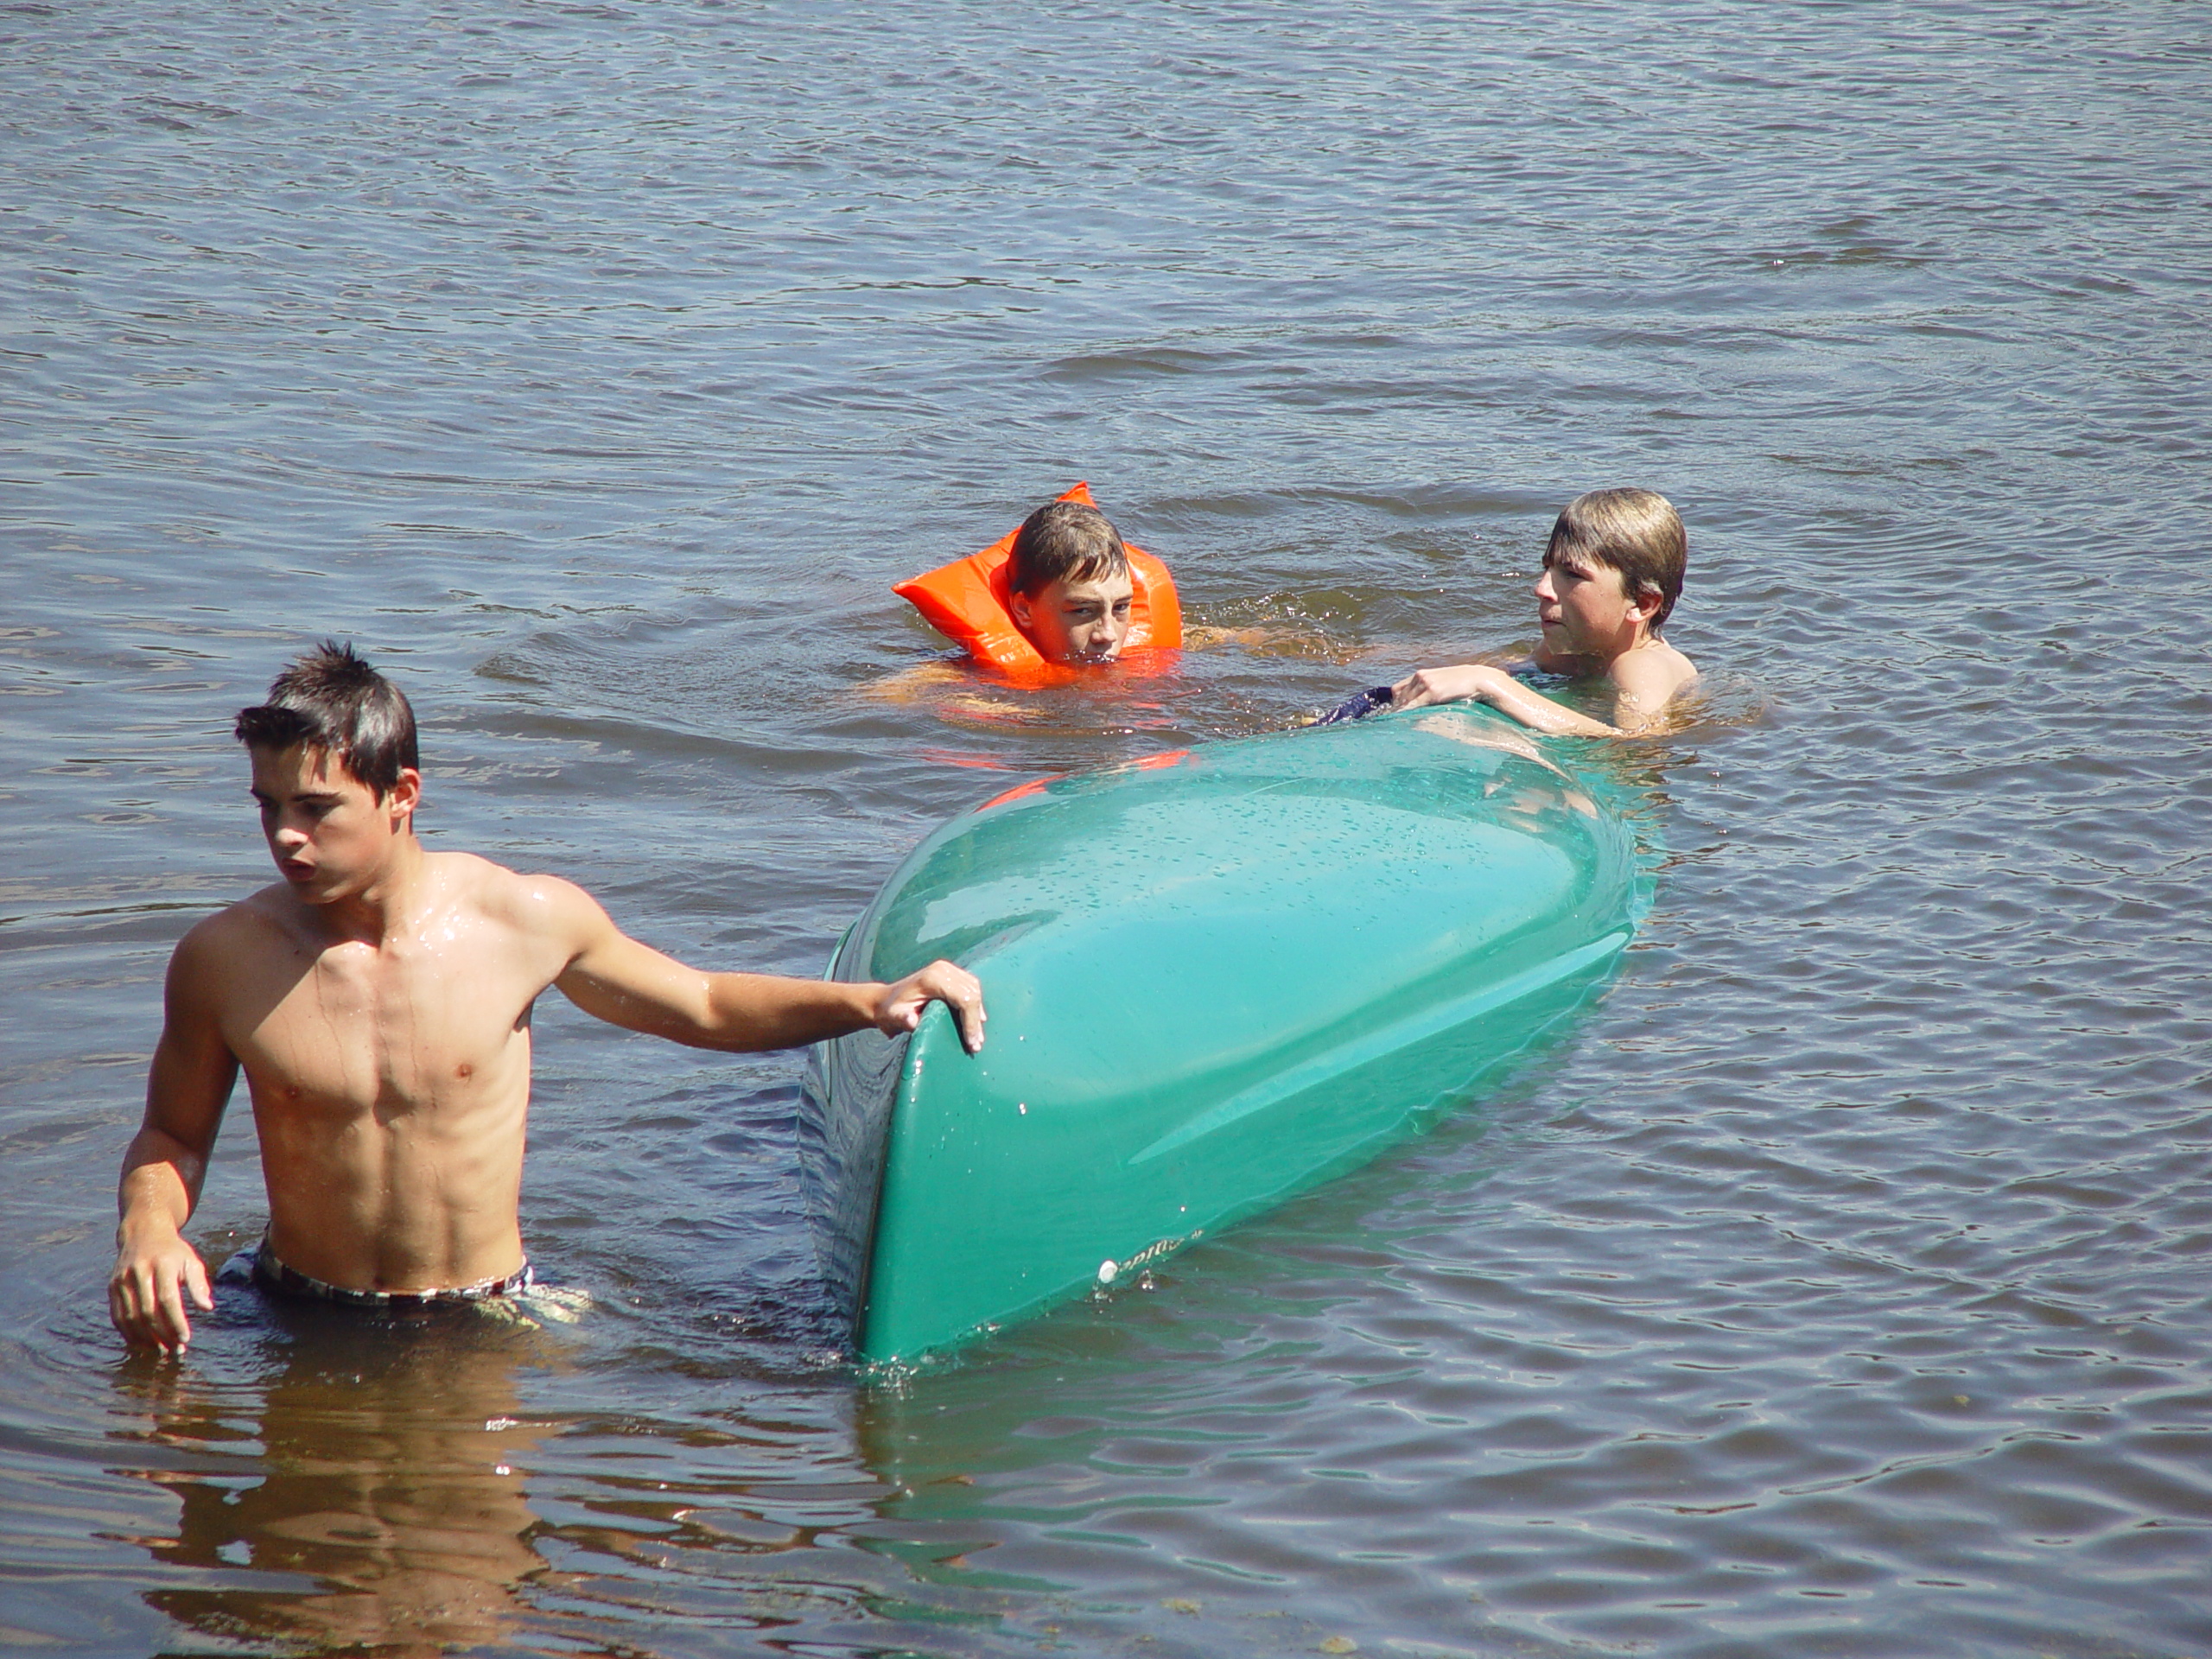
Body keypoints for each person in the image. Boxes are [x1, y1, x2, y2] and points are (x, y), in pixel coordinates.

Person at [108, 642, 986, 1351]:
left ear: (402, 795)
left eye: (315, 808)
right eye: (267, 808)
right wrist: (149, 1231)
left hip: (480, 1313)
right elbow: (172, 1135)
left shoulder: (519, 921)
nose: (285, 838)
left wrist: (871, 1000)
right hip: (296, 1312)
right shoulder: (222, 959)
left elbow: (704, 1004)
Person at [1352, 488, 1697, 736]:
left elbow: (1635, 743)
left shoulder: (1643, 665)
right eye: (1548, 569)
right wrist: (1367, 657)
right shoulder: (1578, 652)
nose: (1542, 588)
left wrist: (1489, 684)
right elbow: (1514, 666)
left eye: (1573, 575)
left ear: (1642, 604)